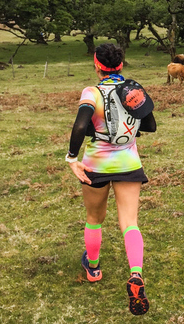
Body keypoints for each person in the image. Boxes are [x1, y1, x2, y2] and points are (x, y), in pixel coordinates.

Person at [66, 43, 156, 316]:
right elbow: (150, 125)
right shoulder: (133, 90)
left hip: (96, 165)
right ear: (121, 64)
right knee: (130, 223)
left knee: (94, 218)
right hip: (129, 163)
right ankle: (136, 274)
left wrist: (72, 157)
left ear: (97, 65)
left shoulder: (91, 92)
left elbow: (81, 125)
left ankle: (93, 267)